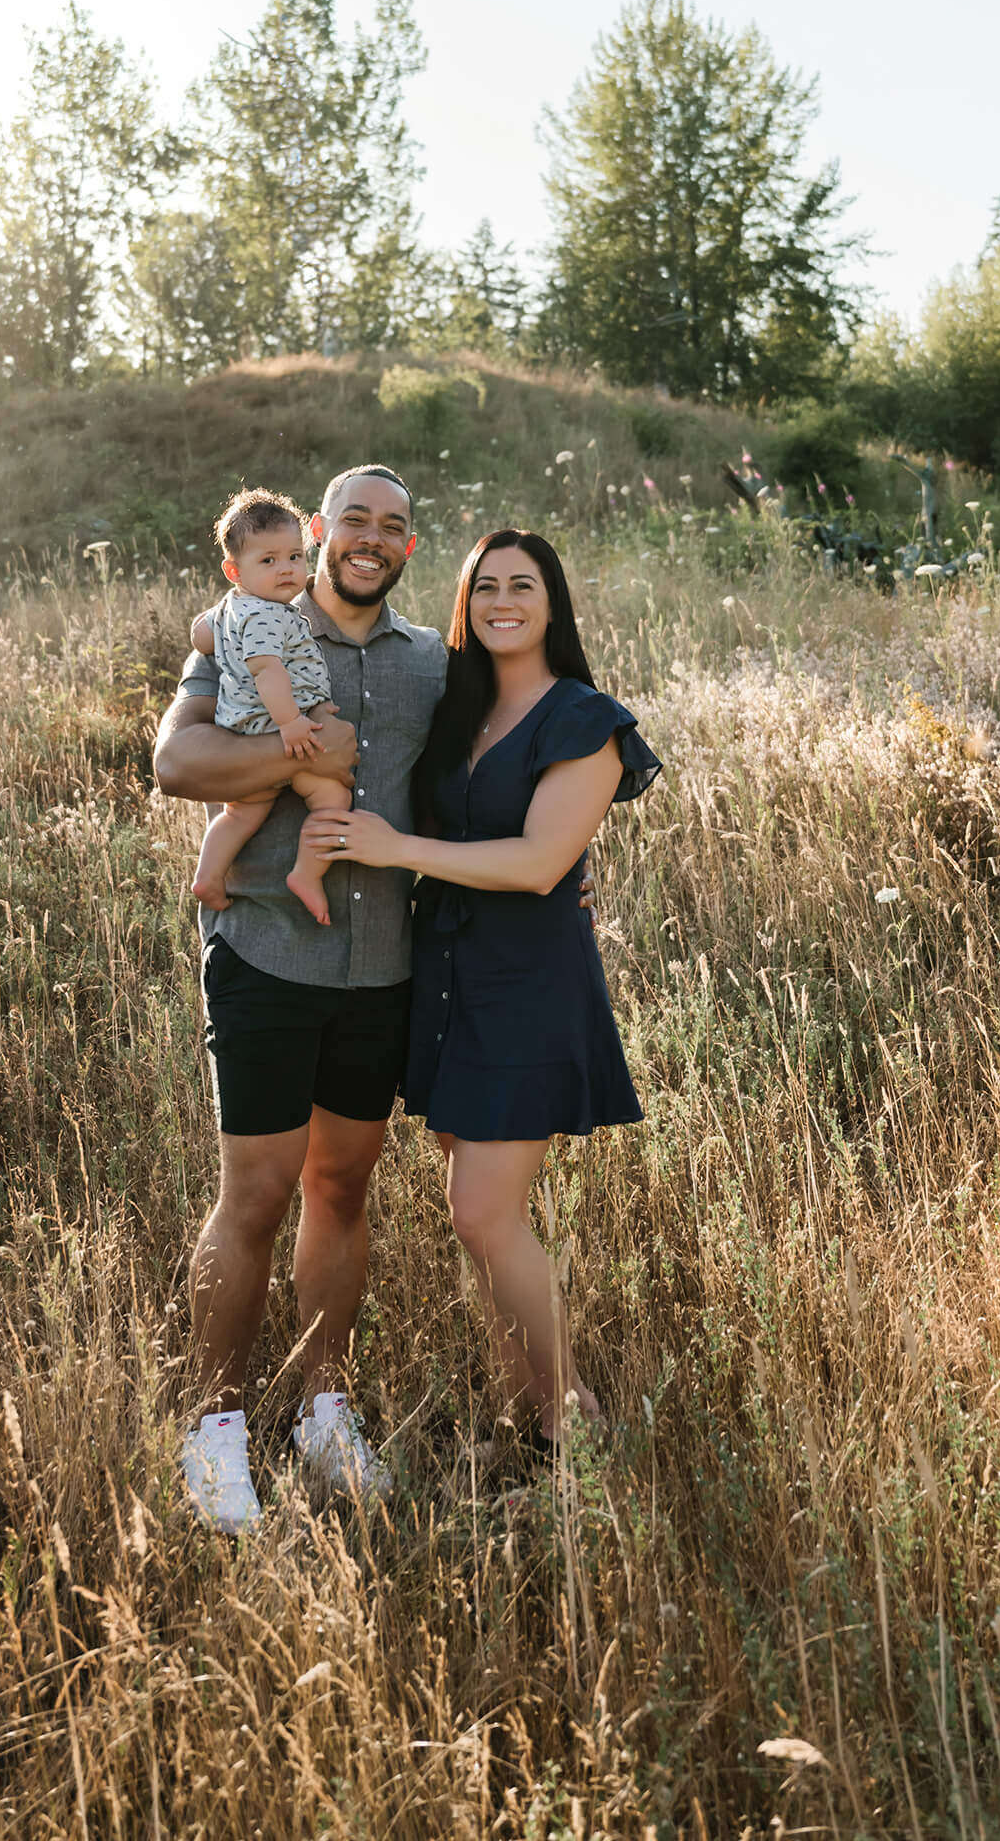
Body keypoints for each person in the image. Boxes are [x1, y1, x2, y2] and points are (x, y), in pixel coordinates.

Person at [301, 529, 659, 1442]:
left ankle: (581, 1423)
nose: (503, 601)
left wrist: (398, 850)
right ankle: (533, 1422)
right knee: (474, 1223)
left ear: (552, 602)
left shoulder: (583, 718)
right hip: (449, 975)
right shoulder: (457, 711)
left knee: (483, 1213)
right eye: (485, 586)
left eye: (523, 585)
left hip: (527, 984)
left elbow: (543, 863)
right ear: (464, 603)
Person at [152, 465, 446, 1532]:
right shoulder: (249, 625)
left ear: (410, 546)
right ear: (322, 530)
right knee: (259, 1194)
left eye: (394, 527)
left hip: (380, 965)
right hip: (267, 951)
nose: (372, 538)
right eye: (355, 520)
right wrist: (297, 750)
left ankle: (327, 1414)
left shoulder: (431, 663)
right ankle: (215, 1427)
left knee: (345, 1190)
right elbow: (176, 760)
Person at [187, 490, 351, 925]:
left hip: (242, 727)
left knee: (240, 814)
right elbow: (267, 671)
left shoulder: (232, 608)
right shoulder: (266, 616)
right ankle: (307, 873)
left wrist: (215, 623)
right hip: (272, 727)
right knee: (332, 795)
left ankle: (208, 874)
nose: (286, 569)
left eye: (295, 557)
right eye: (269, 561)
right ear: (233, 570)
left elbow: (200, 637)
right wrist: (292, 723)